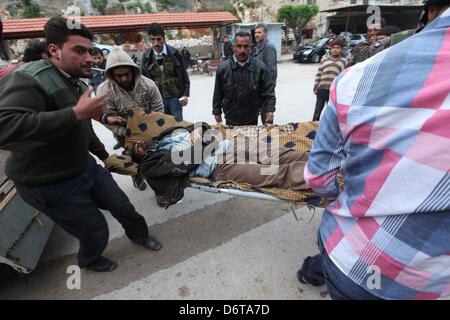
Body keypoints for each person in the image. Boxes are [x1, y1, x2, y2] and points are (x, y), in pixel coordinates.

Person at [298, 0, 450, 300]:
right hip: (427, 285)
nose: (375, 38)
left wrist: (341, 189)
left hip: (352, 264)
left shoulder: (357, 76)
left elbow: (318, 179)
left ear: (430, 13)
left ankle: (312, 269)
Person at [0, 17, 162, 273]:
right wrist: (74, 113)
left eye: (90, 51)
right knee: (95, 229)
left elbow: (83, 129)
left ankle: (140, 236)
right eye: (79, 50)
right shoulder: (30, 79)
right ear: (54, 50)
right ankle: (90, 260)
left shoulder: (74, 81)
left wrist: (104, 156)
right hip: (48, 183)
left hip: (84, 167)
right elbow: (5, 127)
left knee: (122, 206)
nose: (89, 58)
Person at [97, 45, 164, 189]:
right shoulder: (104, 91)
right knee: (133, 158)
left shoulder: (148, 85)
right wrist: (126, 133)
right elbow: (107, 120)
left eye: (127, 74)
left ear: (133, 70)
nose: (124, 78)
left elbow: (159, 111)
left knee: (153, 160)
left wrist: (150, 134)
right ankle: (136, 175)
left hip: (150, 131)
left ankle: (158, 188)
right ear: (111, 75)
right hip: (124, 134)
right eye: (119, 76)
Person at [213, 31, 276, 126]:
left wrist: (270, 109)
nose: (242, 50)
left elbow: (268, 91)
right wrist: (216, 111)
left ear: (250, 47)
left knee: (251, 141)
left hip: (252, 118)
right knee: (233, 140)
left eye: (246, 46)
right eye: (239, 46)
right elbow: (218, 92)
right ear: (233, 47)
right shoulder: (223, 68)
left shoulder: (260, 67)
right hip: (231, 118)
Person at [141, 23, 190, 122]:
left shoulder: (175, 54)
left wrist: (185, 94)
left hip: (174, 99)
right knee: (161, 128)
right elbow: (144, 80)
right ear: (149, 40)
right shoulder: (146, 57)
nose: (156, 43)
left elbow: (184, 75)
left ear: (164, 38)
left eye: (159, 39)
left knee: (178, 126)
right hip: (156, 100)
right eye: (152, 39)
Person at [312, 39, 346, 121]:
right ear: (330, 49)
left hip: (333, 91)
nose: (335, 49)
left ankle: (328, 127)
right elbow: (319, 73)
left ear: (341, 49)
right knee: (318, 110)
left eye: (338, 48)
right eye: (333, 47)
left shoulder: (343, 62)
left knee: (331, 111)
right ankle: (313, 126)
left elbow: (344, 78)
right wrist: (316, 86)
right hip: (322, 89)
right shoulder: (324, 60)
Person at [254, 23, 278, 125]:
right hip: (258, 90)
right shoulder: (258, 47)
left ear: (266, 34)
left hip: (265, 91)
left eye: (259, 32)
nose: (256, 35)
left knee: (267, 121)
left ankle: (269, 140)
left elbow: (271, 72)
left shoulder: (269, 47)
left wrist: (269, 93)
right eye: (255, 32)